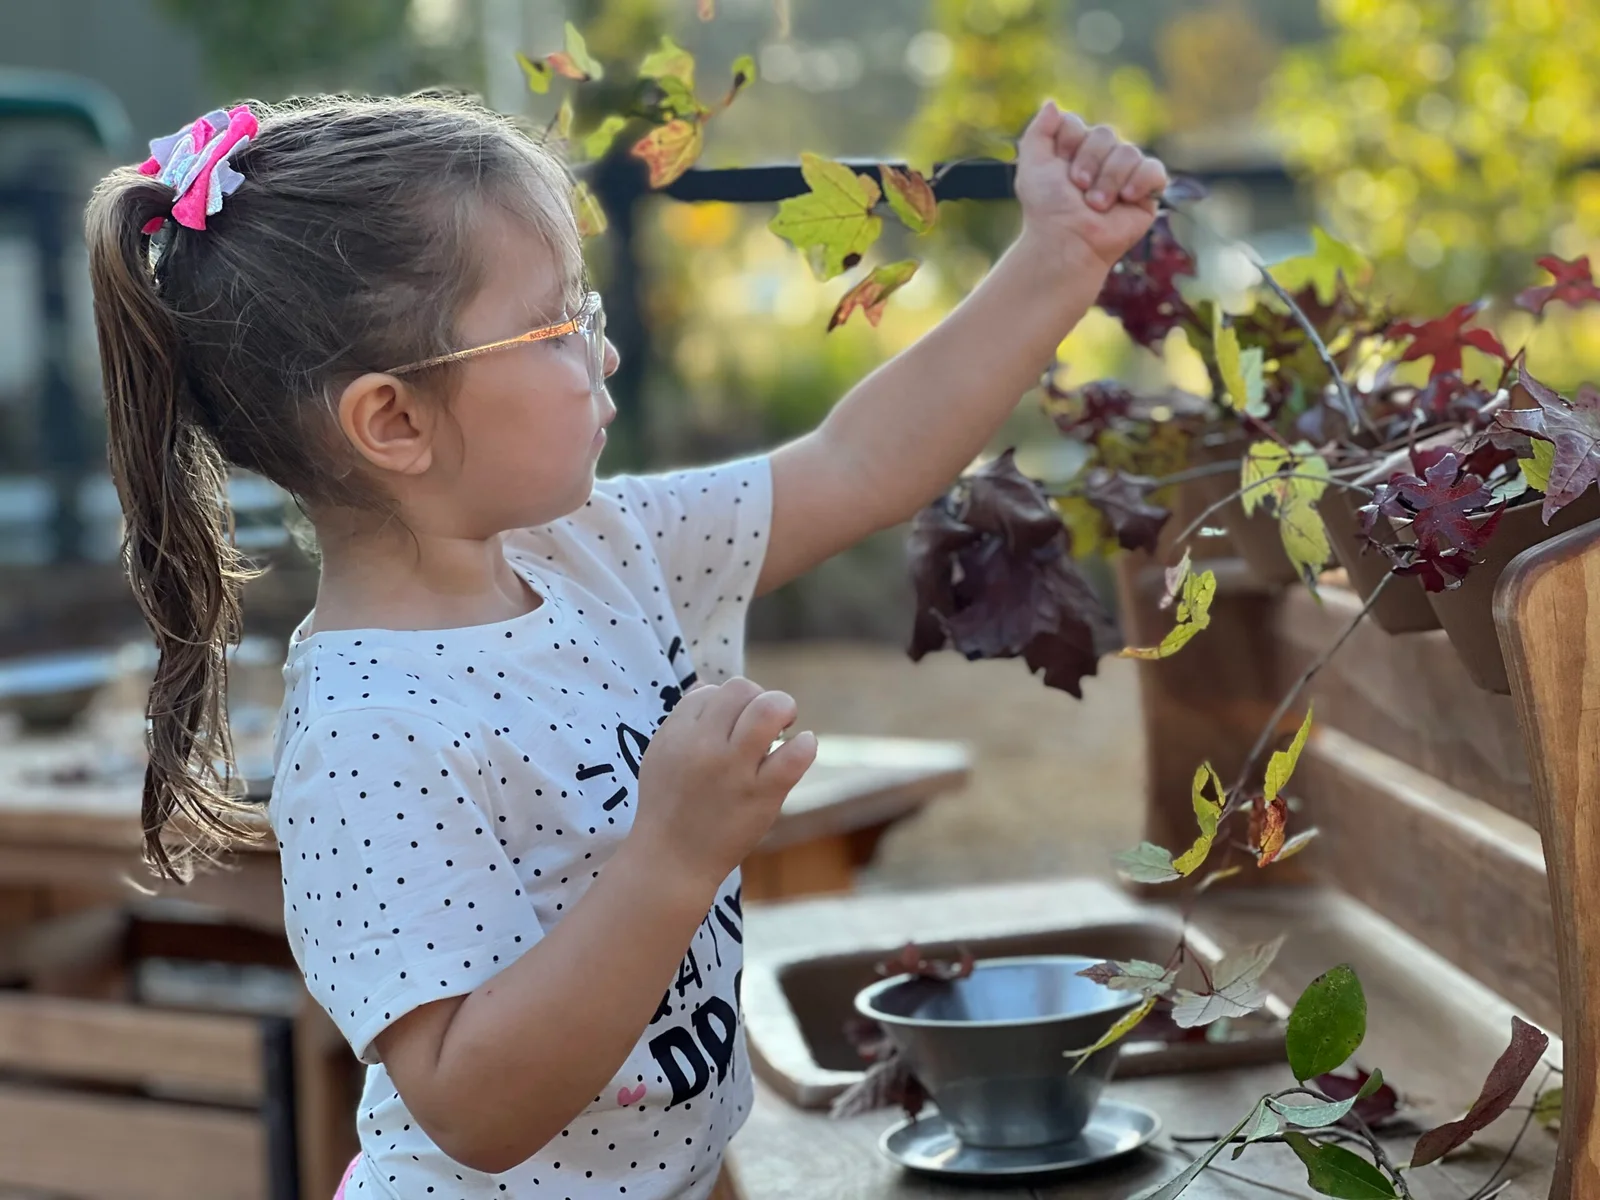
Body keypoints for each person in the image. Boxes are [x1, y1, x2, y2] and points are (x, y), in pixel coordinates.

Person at [86, 91, 1168, 1199]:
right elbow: (473, 1107)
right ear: (394, 422)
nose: (600, 354)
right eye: (559, 325)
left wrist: (1058, 258)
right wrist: (673, 853)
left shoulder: (591, 546)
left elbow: (859, 467)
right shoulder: (372, 733)